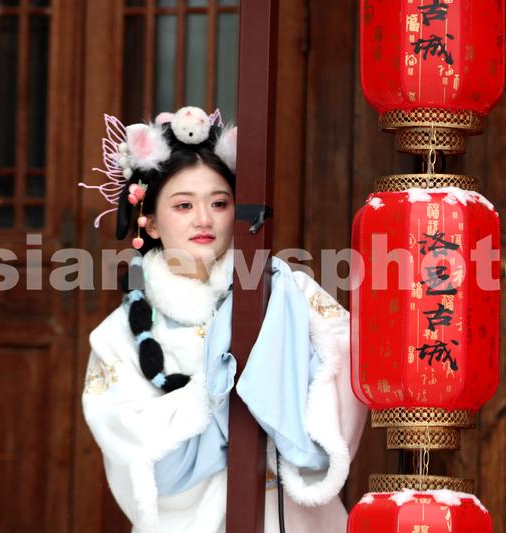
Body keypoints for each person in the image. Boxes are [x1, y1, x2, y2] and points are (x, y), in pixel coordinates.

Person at [80, 106, 367, 533]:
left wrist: (278, 392)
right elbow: (137, 456)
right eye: (183, 205)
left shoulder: (289, 295)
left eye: (219, 203)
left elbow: (347, 367)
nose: (204, 219)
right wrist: (214, 401)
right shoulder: (116, 337)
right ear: (150, 223)